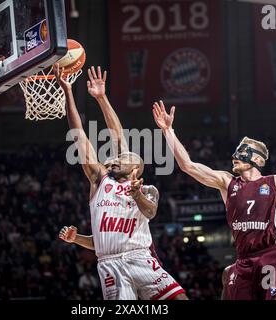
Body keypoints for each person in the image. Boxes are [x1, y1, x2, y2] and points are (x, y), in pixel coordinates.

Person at [152, 100, 276, 300]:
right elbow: (188, 166)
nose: (236, 154)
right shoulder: (227, 182)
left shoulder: (275, 182)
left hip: (270, 255)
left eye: (244, 150)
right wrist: (169, 131)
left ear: (258, 160)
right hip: (243, 260)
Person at [54, 65, 186, 300]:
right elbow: (80, 134)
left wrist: (136, 195)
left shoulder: (146, 189)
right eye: (114, 157)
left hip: (141, 258)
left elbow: (151, 212)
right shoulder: (99, 180)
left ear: (135, 168)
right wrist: (70, 92)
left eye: (121, 157)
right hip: (110, 265)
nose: (113, 159)